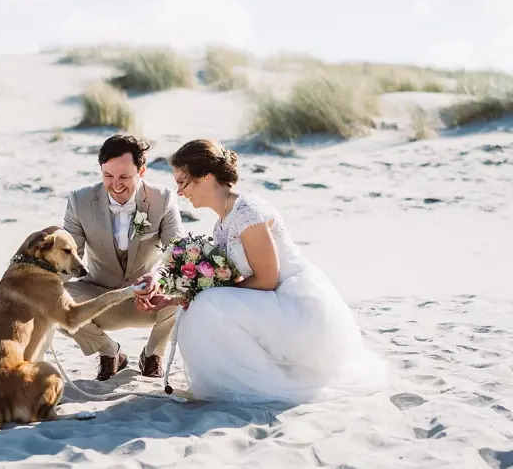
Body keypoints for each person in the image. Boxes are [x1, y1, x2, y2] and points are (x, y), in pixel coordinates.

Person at [143, 138, 389, 404]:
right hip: (270, 298)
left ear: (205, 177)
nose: (179, 192)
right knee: (201, 306)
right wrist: (176, 298)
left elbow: (267, 278)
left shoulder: (248, 213)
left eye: (182, 182)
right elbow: (233, 278)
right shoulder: (223, 223)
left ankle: (257, 381)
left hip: (294, 303)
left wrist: (208, 295)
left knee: (210, 303)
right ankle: (232, 379)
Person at [60, 134, 187, 381]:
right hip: (99, 297)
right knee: (51, 299)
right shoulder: (79, 201)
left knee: (188, 287)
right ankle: (110, 352)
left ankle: (152, 355)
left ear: (142, 171)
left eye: (124, 177)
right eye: (108, 176)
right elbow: (69, 258)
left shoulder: (163, 199)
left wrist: (157, 278)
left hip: (148, 298)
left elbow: (177, 254)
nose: (116, 184)